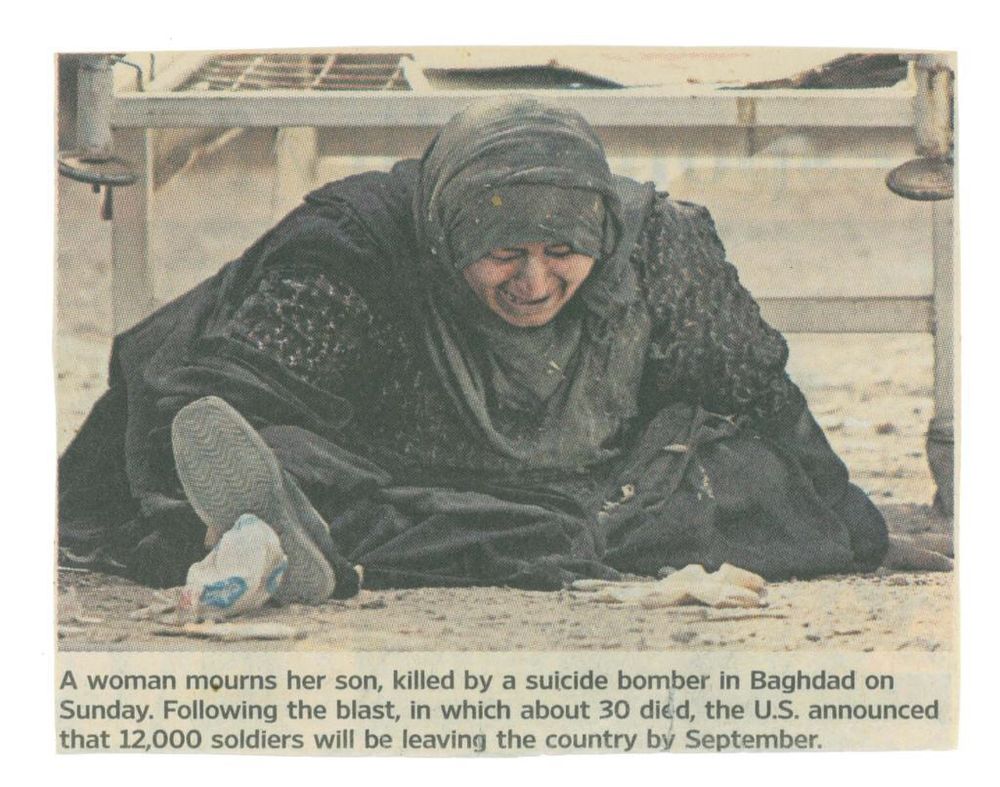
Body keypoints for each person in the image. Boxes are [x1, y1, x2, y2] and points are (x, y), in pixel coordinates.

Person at [58, 96, 889, 602]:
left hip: (594, 484)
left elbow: (758, 392)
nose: (533, 282)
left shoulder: (661, 249)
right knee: (276, 464)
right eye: (501, 253)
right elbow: (214, 401)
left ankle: (336, 544)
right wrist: (199, 512)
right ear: (448, 231)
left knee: (737, 482)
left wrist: (854, 527)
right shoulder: (358, 247)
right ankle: (294, 531)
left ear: (600, 229)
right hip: (388, 468)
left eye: (561, 252)